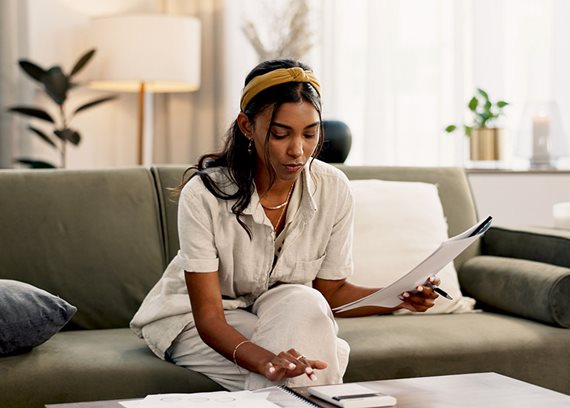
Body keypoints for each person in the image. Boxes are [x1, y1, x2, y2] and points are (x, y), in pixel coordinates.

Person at [130, 58, 439, 391]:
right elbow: (210, 319)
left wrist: (398, 298)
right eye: (280, 134)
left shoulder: (332, 187)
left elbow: (329, 294)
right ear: (247, 127)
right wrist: (267, 362)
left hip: (277, 312)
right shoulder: (203, 195)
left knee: (306, 302)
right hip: (193, 322)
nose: (298, 151)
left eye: (310, 134)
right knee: (321, 357)